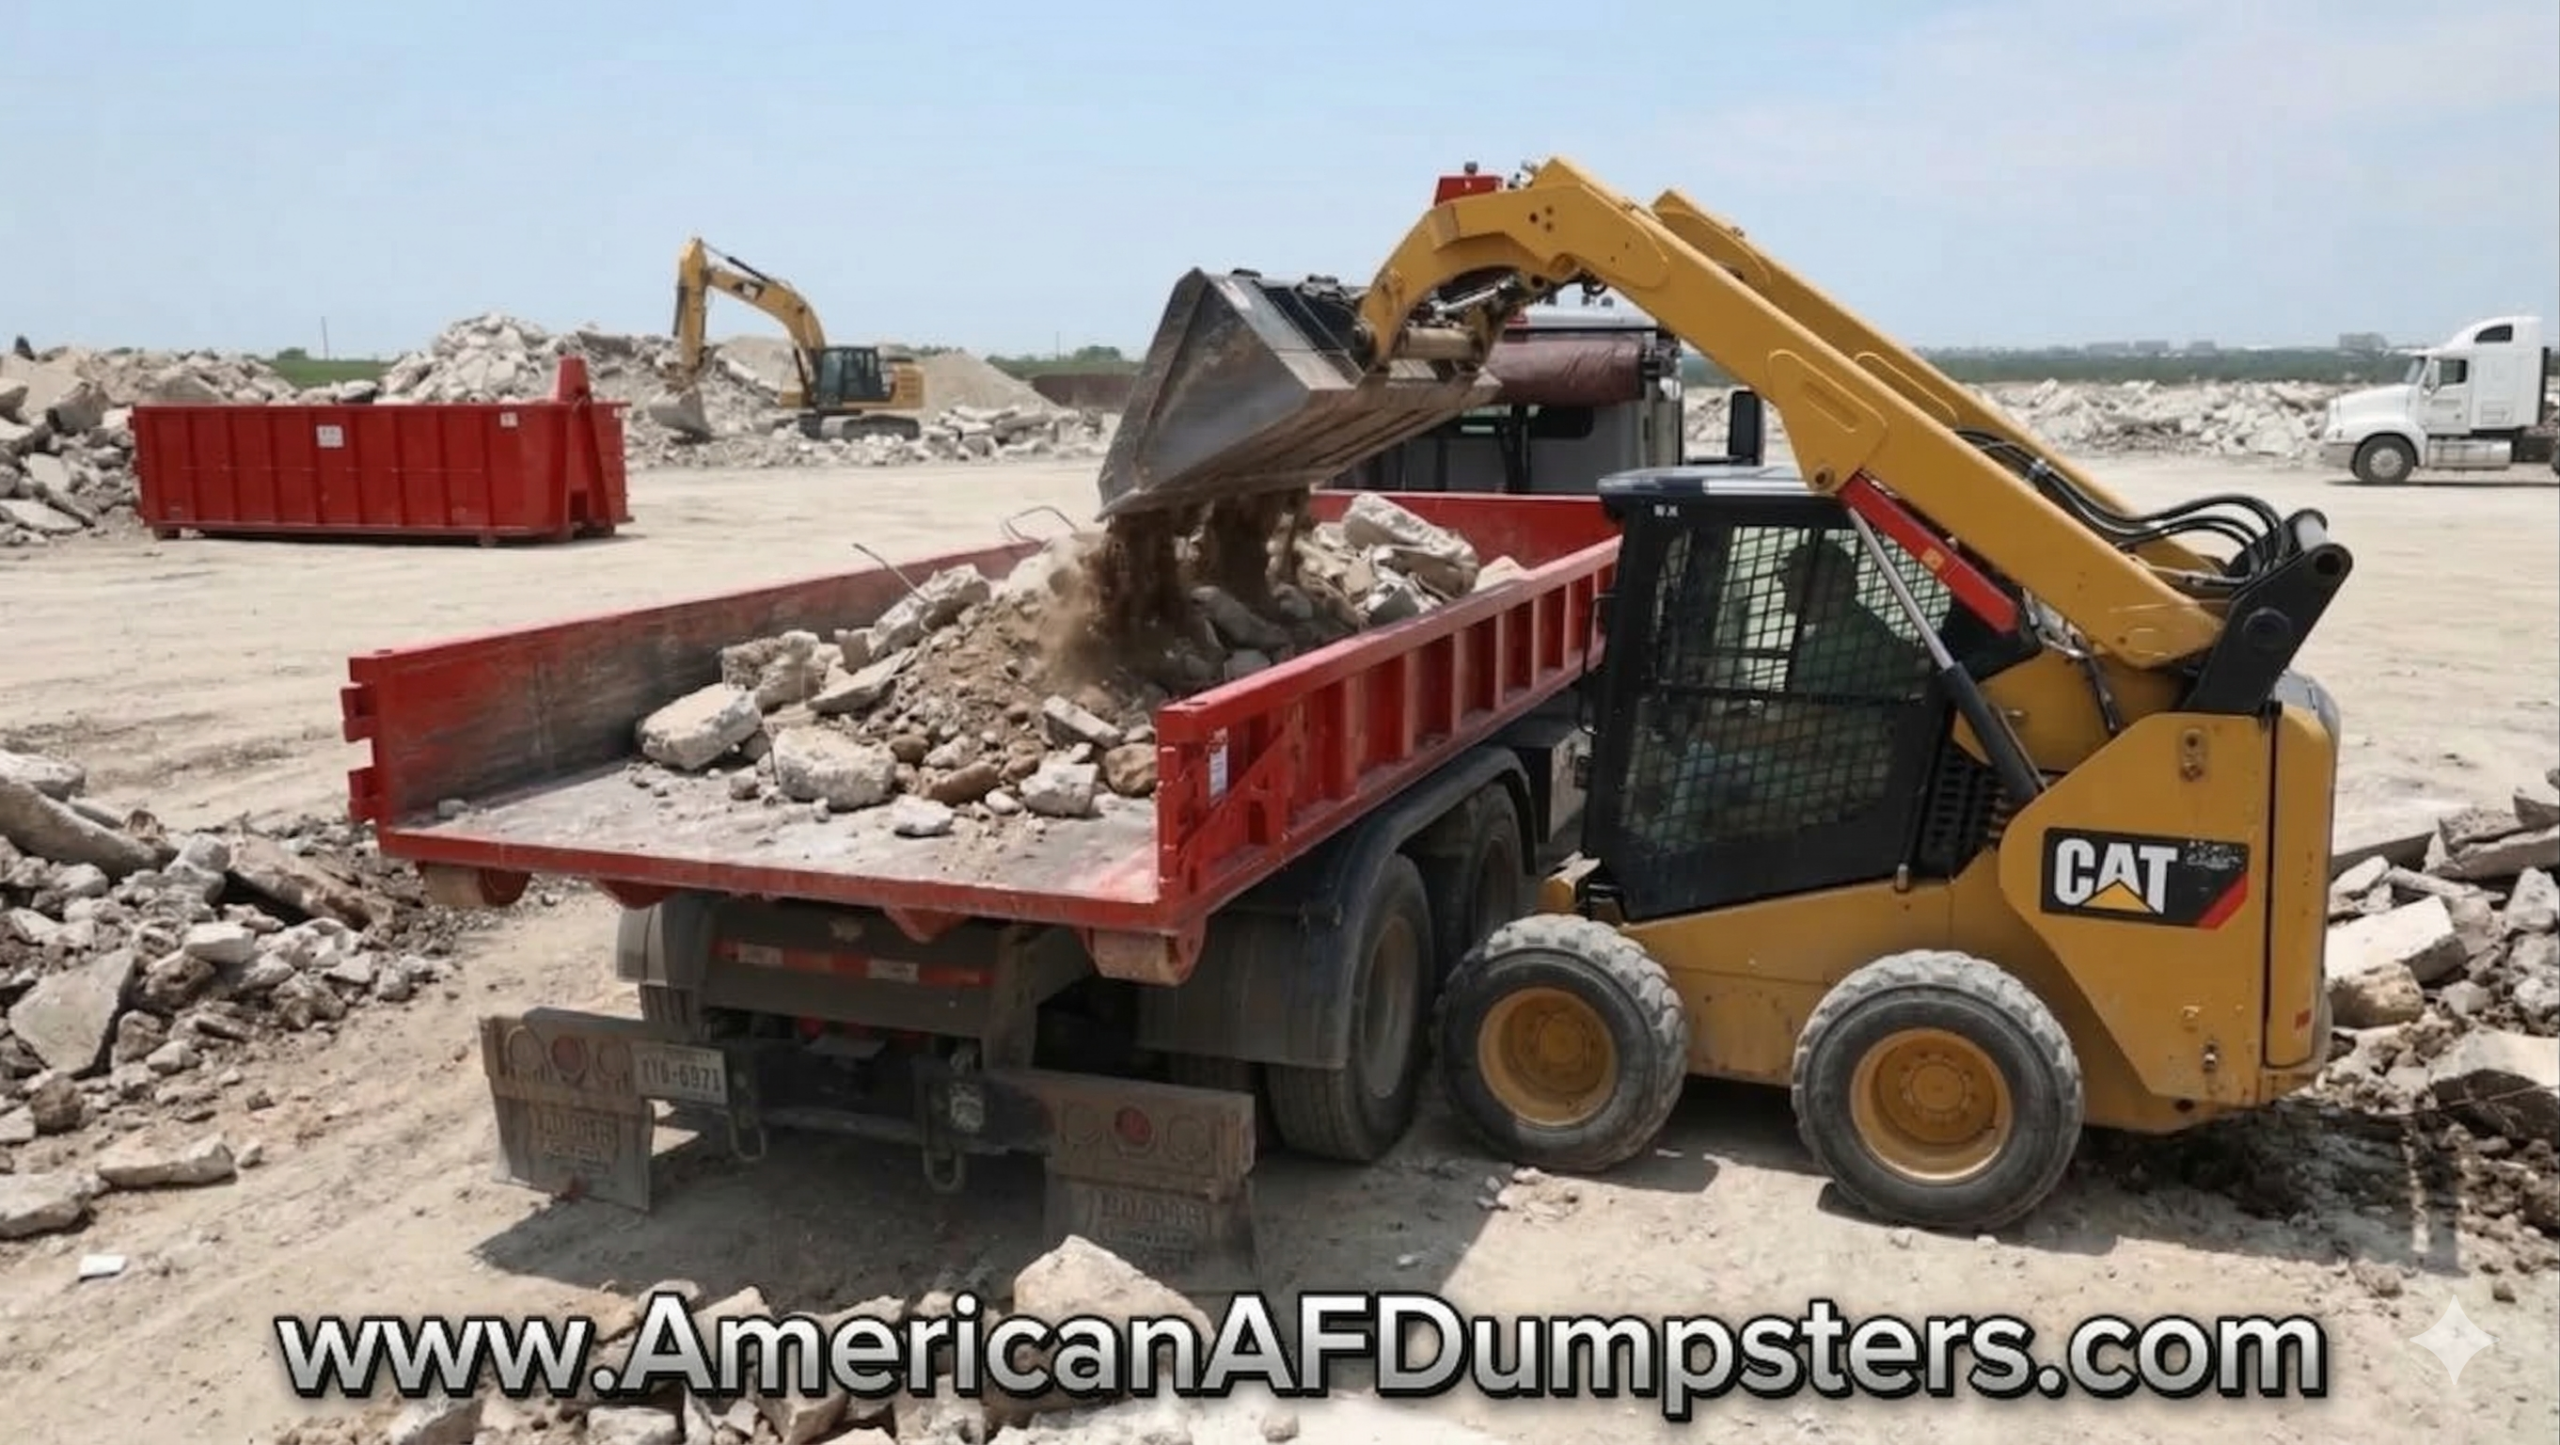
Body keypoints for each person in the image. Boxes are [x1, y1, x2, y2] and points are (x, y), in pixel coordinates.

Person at [1778, 535, 1930, 701]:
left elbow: (1807, 709)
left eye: (1794, 588)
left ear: (1836, 586)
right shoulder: (1865, 626)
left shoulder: (1836, 649)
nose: (1788, 603)